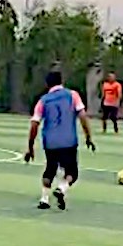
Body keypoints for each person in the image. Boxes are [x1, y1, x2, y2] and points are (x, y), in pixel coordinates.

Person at [25, 71, 96, 211]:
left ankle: (44, 199)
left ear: (47, 84)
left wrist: (30, 146)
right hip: (69, 140)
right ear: (61, 81)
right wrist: (88, 137)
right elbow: (82, 116)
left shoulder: (43, 100)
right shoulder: (72, 95)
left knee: (50, 169)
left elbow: (34, 124)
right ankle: (62, 189)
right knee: (72, 172)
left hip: (50, 141)